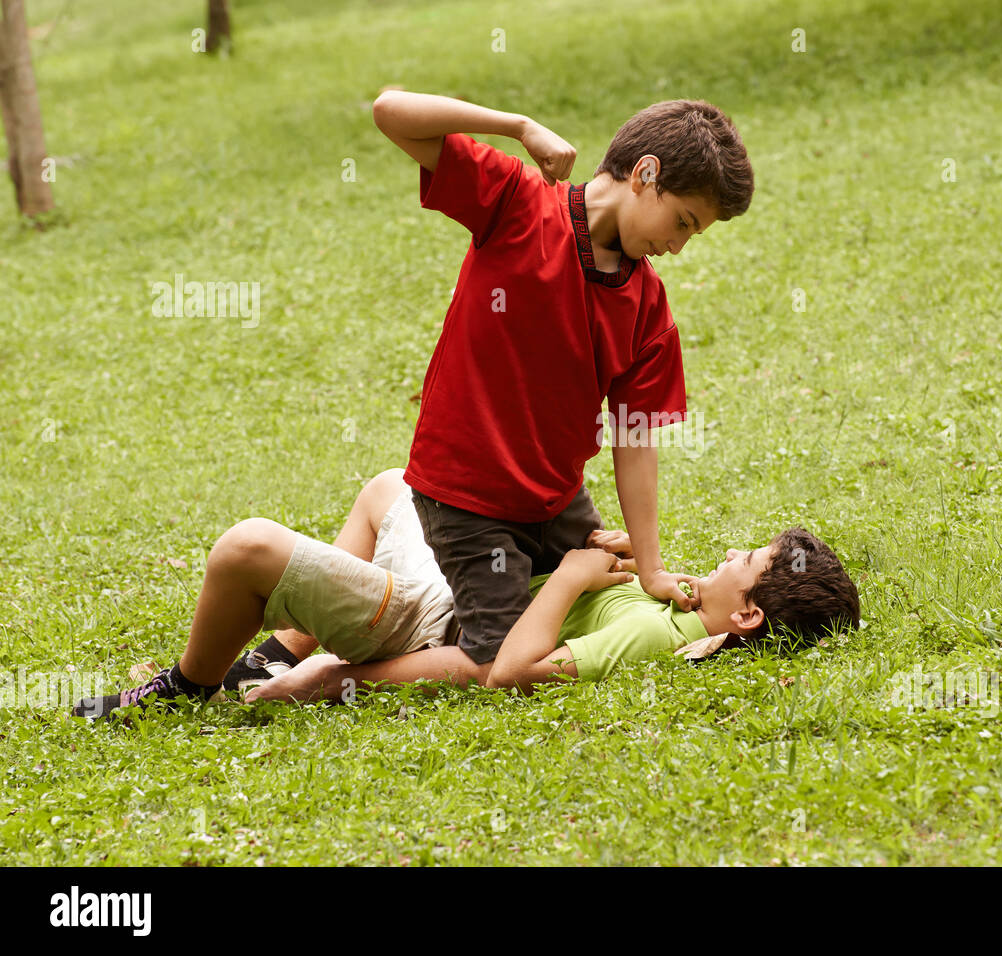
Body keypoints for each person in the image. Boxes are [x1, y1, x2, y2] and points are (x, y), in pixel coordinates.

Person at [370, 91, 754, 674]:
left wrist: (650, 568)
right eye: (682, 222)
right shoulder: (516, 202)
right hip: (467, 497)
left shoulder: (648, 304)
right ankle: (328, 676)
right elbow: (390, 111)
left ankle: (313, 637)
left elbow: (635, 438)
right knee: (496, 660)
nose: (677, 246)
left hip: (557, 501)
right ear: (646, 175)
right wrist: (518, 125)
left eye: (692, 235)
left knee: (601, 592)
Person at [72, 469, 860, 718]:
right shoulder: (680, 606)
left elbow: (503, 669)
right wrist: (603, 556)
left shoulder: (653, 640)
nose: (731, 552)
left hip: (432, 622)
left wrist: (338, 680)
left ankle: (187, 687)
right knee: (394, 485)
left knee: (246, 547)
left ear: (749, 612)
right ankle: (276, 647)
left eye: (746, 559)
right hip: (462, 581)